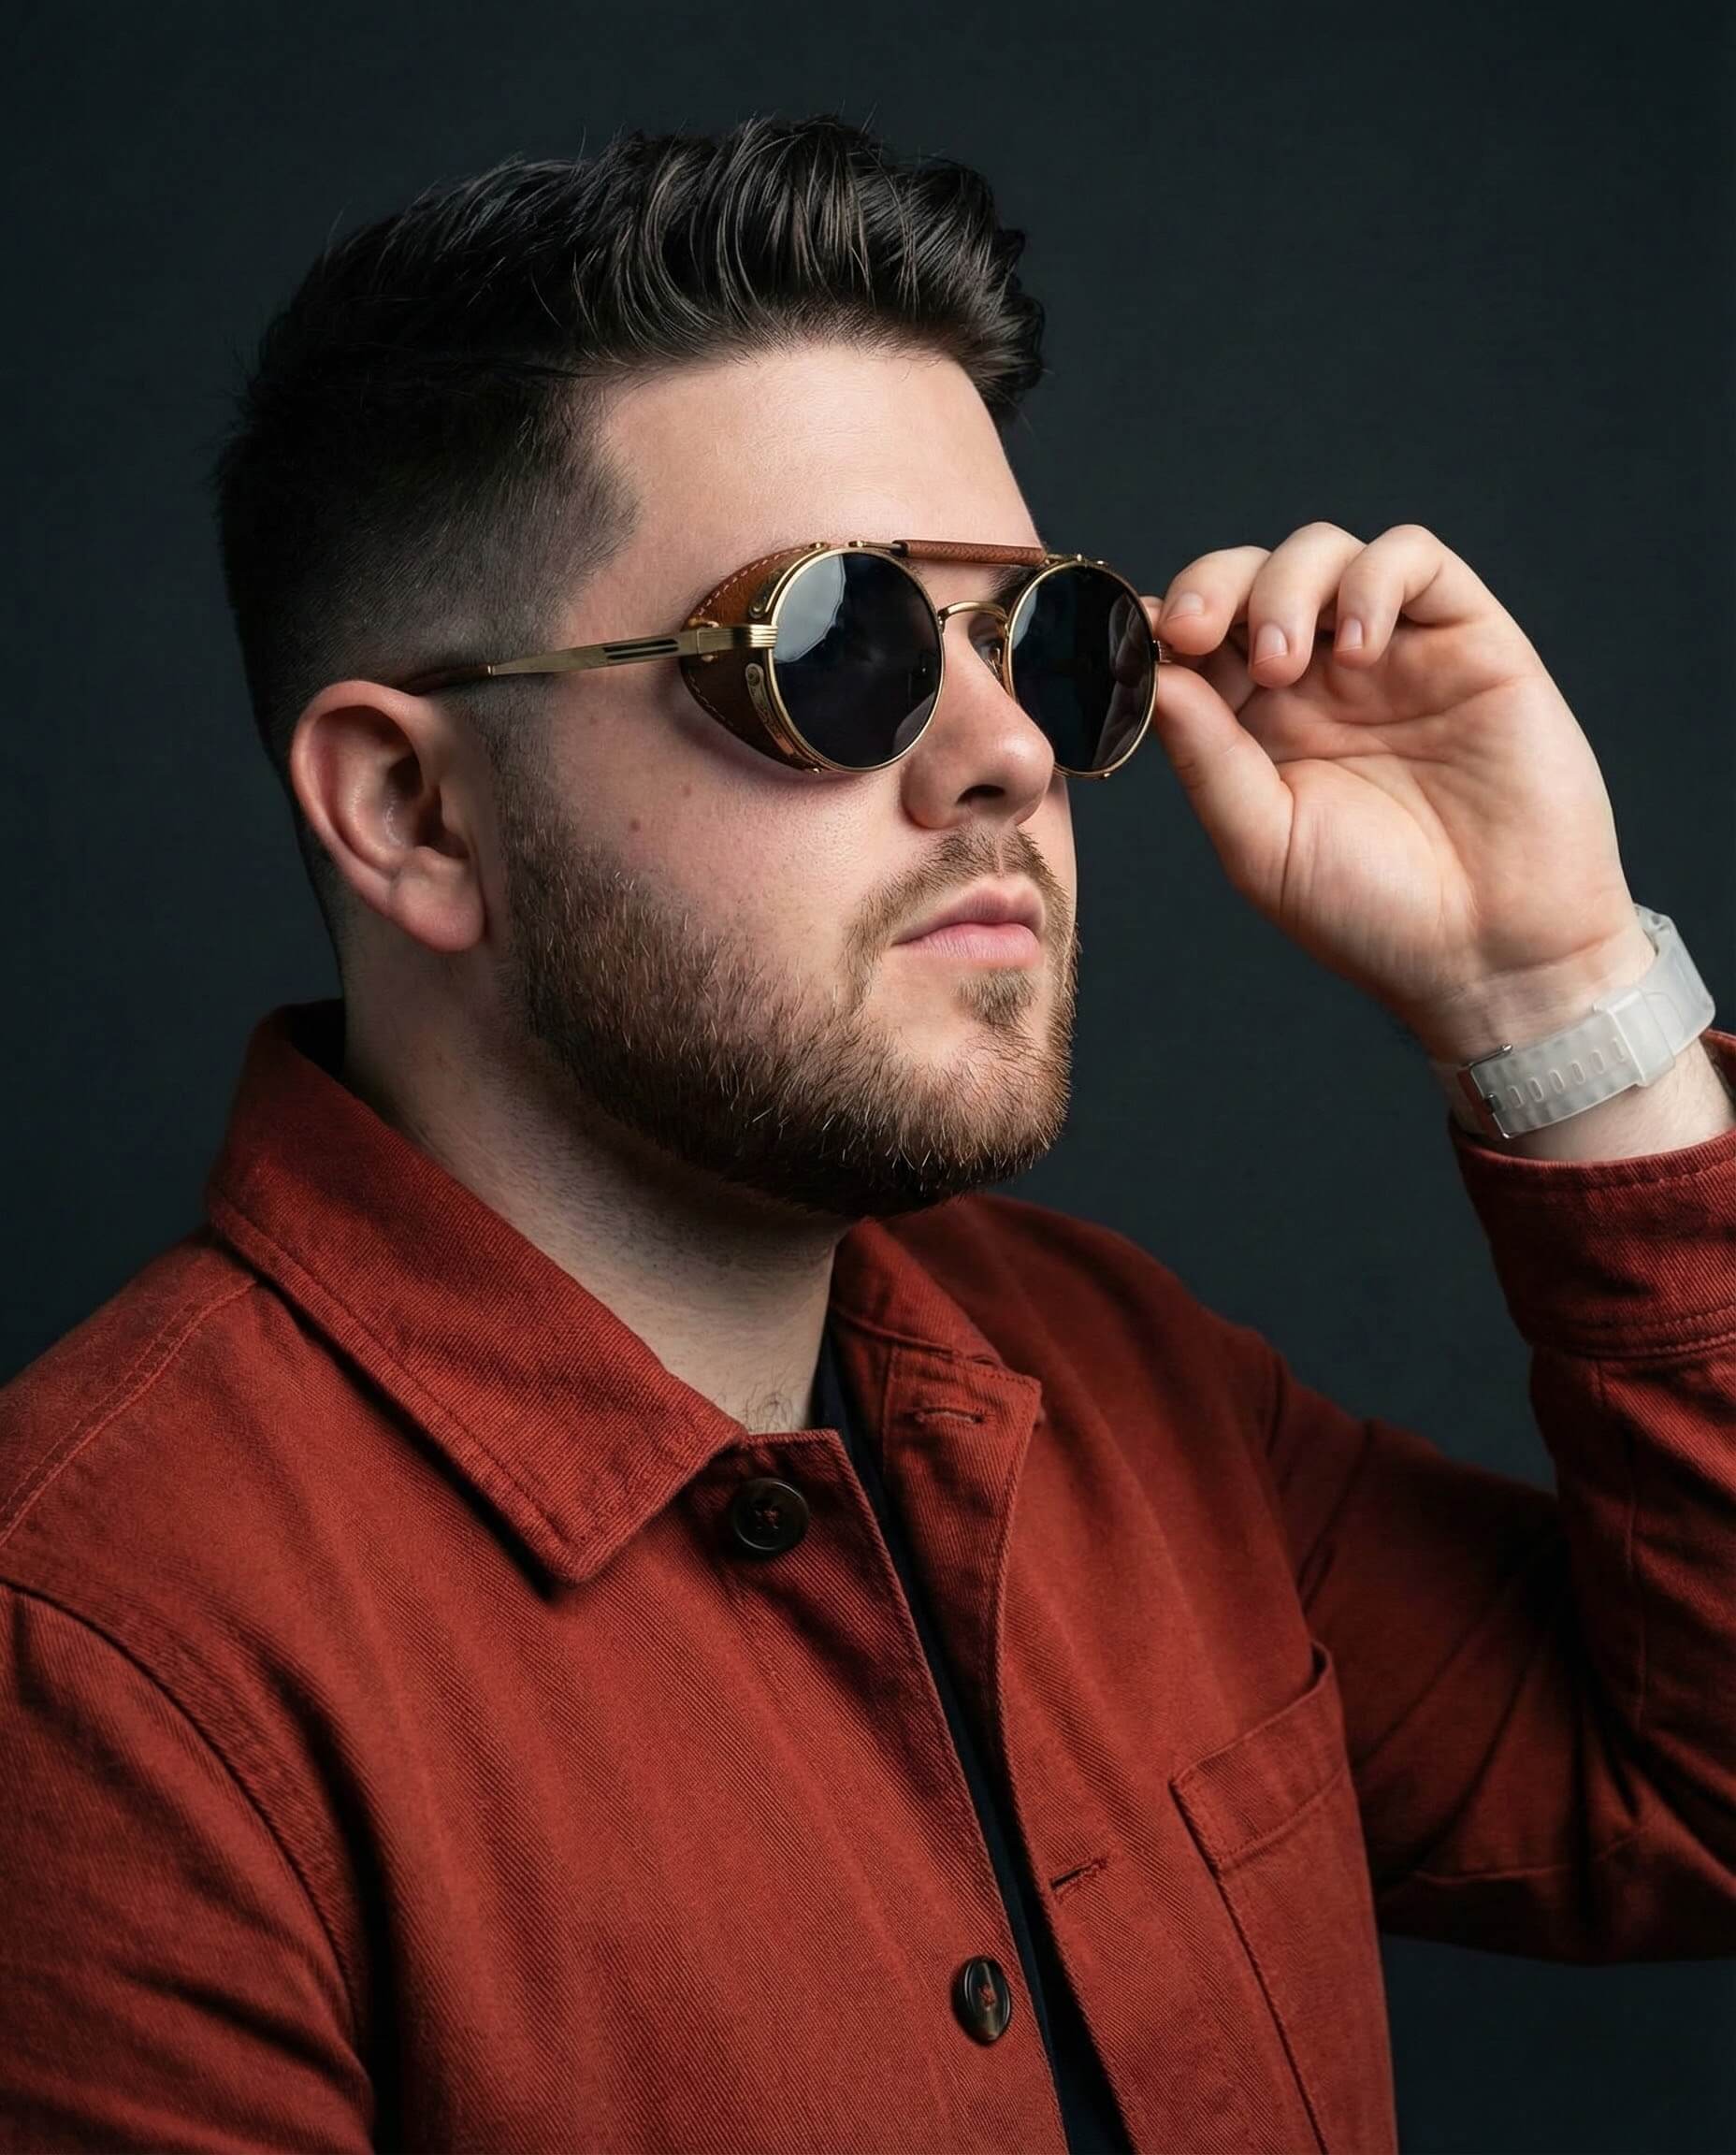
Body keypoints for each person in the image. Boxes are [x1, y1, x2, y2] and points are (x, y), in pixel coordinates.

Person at [4, 111, 1734, 2155]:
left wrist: (1550, 994)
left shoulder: (1107, 1379)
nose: (1009, 752)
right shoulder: (101, 1669)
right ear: (412, 812)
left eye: (1047, 634)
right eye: (841, 646)